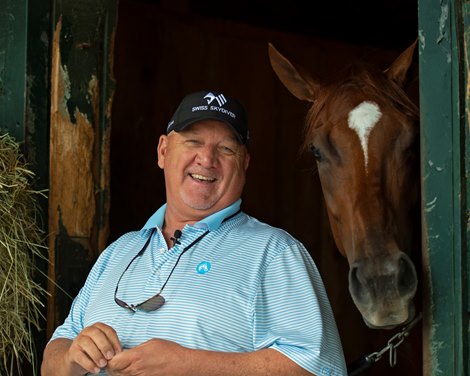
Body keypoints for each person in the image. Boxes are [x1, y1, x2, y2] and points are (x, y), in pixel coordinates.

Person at [41, 90, 347, 376]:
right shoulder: (118, 251)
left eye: (226, 148)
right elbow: (53, 357)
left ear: (245, 164)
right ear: (163, 151)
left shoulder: (275, 253)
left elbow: (321, 368)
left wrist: (190, 364)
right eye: (193, 141)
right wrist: (71, 357)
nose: (207, 159)